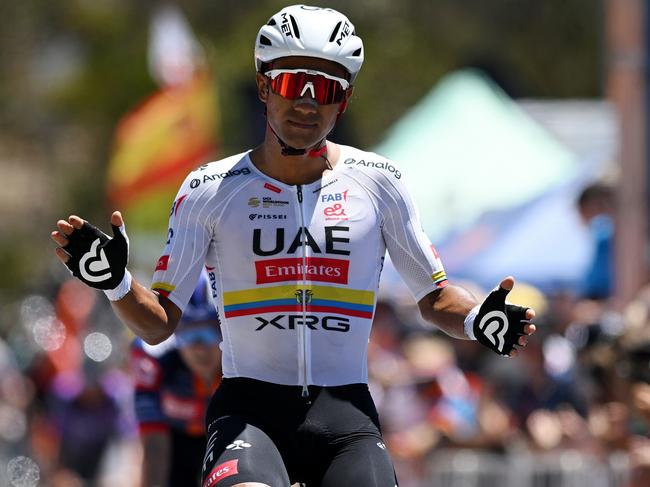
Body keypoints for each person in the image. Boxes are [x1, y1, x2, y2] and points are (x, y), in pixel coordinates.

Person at [51, 5, 537, 486]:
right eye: (291, 84)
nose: (306, 103)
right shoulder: (209, 190)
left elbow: (435, 298)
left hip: (344, 416)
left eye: (325, 89)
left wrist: (477, 320)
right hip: (249, 416)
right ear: (264, 87)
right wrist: (115, 281)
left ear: (343, 101)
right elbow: (159, 325)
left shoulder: (380, 184)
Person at [131, 269, 222, 486]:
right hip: (176, 441)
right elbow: (154, 449)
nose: (200, 349)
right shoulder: (153, 359)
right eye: (189, 334)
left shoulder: (246, 357)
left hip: (225, 438)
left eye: (211, 331)